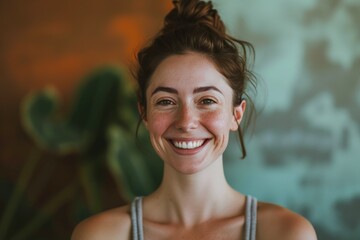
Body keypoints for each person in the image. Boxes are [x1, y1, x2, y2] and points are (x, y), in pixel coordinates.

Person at [71, 0, 317, 239]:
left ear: (236, 114)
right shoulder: (100, 235)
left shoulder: (286, 234)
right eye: (166, 101)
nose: (186, 121)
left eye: (207, 101)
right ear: (144, 114)